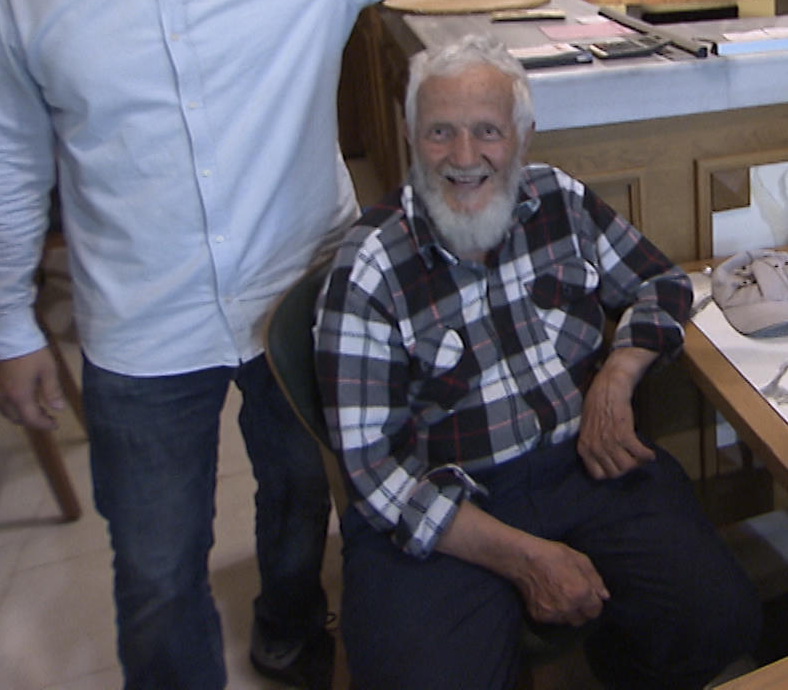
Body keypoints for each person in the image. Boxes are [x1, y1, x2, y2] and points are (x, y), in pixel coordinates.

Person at [0, 0, 745, 690]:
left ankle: (289, 630)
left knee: (296, 499)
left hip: (296, 288)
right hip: (140, 327)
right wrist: (5, 324)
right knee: (155, 570)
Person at [315, 36, 761, 690]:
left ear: (523, 136)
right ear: (411, 135)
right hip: (447, 507)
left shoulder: (559, 199)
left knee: (721, 620)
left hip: (580, 463)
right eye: (440, 132)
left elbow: (660, 283)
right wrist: (524, 558)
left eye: (488, 132)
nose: (464, 159)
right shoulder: (368, 267)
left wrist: (618, 372)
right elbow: (375, 474)